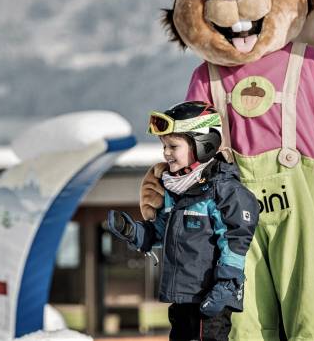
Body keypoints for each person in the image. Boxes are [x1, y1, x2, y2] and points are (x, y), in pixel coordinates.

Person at [107, 101, 259, 341]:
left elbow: (235, 240)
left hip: (210, 298)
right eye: (164, 146)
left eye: (173, 146)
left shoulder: (223, 191)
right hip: (181, 297)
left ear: (203, 144)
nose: (166, 153)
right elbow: (161, 232)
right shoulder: (174, 191)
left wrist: (227, 284)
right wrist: (132, 231)